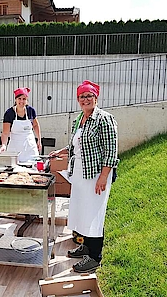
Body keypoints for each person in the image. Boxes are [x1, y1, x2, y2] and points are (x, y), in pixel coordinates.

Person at [49, 80, 119, 273]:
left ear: (96, 98)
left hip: (96, 174)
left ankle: (95, 257)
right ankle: (86, 247)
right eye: (82, 96)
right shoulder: (80, 118)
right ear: (78, 100)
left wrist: (104, 177)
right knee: (82, 211)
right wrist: (60, 152)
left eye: (89, 96)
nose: (86, 99)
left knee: (93, 213)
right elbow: (75, 146)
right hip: (80, 174)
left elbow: (111, 151)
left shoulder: (104, 119)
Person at [0, 87, 42, 162]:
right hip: (15, 148)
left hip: (30, 147)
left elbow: (35, 125)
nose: (21, 101)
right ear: (16, 99)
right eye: (19, 98)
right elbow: (5, 133)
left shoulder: (31, 111)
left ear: (27, 100)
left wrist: (39, 140)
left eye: (24, 99)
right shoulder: (9, 113)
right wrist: (4, 145)